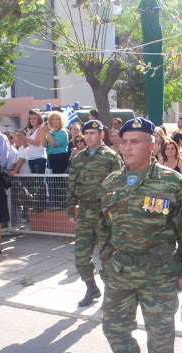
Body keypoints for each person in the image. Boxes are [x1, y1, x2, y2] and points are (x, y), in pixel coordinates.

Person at [99, 117, 182, 353]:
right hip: (120, 272)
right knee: (114, 328)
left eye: (134, 141)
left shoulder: (174, 183)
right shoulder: (111, 182)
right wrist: (107, 262)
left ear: (151, 145)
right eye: (123, 141)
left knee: (160, 333)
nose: (126, 147)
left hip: (159, 273)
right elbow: (102, 227)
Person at [67, 120, 122, 307]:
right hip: (84, 211)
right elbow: (72, 185)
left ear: (101, 135)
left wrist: (115, 213)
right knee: (81, 255)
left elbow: (119, 186)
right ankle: (91, 287)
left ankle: (109, 293)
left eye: (92, 133)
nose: (89, 137)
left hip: (104, 212)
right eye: (86, 133)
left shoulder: (111, 157)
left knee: (107, 255)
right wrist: (69, 209)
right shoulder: (78, 158)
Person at [44, 111, 70, 208]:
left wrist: (47, 132)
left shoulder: (63, 132)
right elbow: (44, 144)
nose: (55, 121)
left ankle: (62, 202)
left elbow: (54, 144)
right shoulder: (50, 133)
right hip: (51, 158)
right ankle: (54, 202)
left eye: (57, 119)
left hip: (60, 158)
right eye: (53, 119)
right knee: (52, 181)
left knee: (59, 181)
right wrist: (44, 132)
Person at [22, 109, 47, 174]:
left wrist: (25, 139)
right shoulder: (29, 130)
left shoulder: (40, 128)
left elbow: (38, 142)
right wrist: (20, 138)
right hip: (30, 158)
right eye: (30, 118)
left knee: (40, 181)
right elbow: (27, 145)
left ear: (38, 119)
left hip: (38, 157)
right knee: (34, 180)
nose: (32, 120)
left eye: (34, 118)